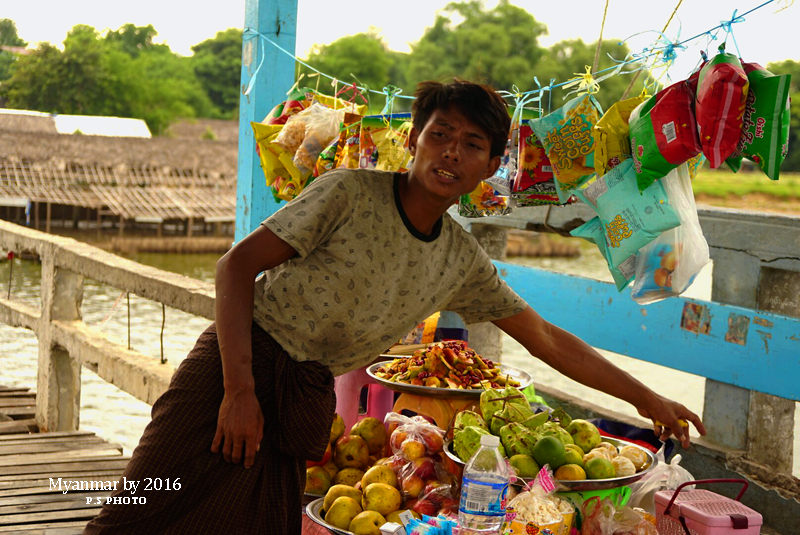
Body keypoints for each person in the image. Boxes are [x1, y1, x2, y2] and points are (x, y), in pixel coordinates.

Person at [84, 80, 705, 534]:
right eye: (439, 135)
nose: (451, 153)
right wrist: (238, 393)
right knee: (140, 507)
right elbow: (234, 267)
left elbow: (542, 336)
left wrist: (644, 399)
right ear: (414, 139)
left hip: (301, 395)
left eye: (471, 144)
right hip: (233, 367)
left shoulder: (460, 258)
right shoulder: (348, 192)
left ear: (491, 166)